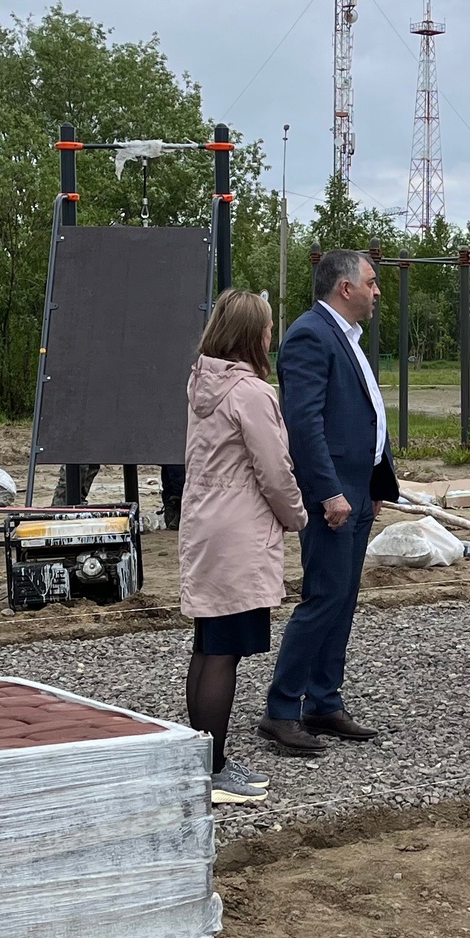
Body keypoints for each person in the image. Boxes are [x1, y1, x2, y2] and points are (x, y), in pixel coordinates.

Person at [259, 249, 399, 754]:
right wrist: (329, 491)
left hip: (357, 491)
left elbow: (363, 416)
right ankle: (282, 709)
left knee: (342, 600)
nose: (377, 290)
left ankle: (323, 700)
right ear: (346, 287)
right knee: (323, 599)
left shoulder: (347, 338)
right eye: (372, 281)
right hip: (333, 495)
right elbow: (305, 424)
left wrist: (373, 485)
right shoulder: (309, 337)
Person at [179, 289, 309, 805]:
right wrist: (295, 516)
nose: (272, 335)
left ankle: (201, 761)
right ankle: (212, 773)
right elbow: (274, 470)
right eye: (269, 327)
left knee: (208, 645)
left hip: (206, 527)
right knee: (225, 653)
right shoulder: (251, 393)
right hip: (238, 533)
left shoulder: (202, 384)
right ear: (255, 334)